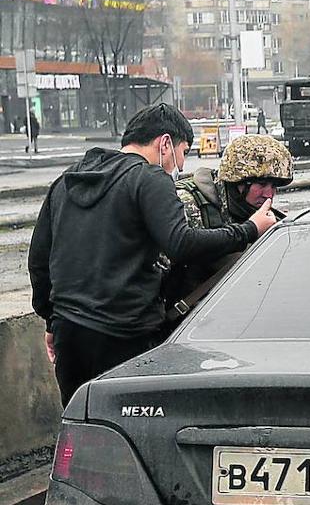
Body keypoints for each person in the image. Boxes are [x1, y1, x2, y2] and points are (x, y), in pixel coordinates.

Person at [27, 104, 277, 406]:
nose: (179, 167)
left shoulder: (69, 179)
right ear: (165, 143)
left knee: (82, 424)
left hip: (70, 332)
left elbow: (40, 261)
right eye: (182, 154)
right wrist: (249, 229)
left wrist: (52, 323)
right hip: (126, 333)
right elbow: (181, 243)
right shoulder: (149, 178)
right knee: (129, 428)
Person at [162, 133, 293, 328]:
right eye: (262, 184)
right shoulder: (188, 205)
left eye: (274, 186)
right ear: (238, 182)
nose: (269, 194)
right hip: (183, 326)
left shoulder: (264, 216)